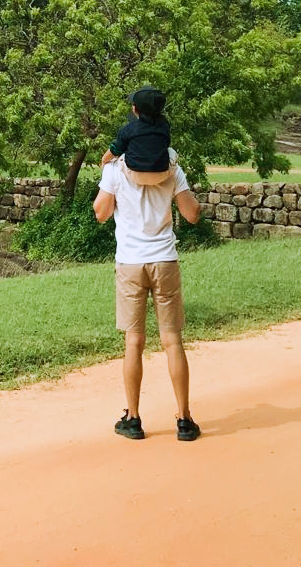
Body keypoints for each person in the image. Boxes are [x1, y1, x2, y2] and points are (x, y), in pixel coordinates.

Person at [93, 142, 202, 442]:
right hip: (164, 259)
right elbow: (192, 214)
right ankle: (184, 419)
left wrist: (107, 176)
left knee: (134, 341)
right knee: (172, 340)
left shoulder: (116, 167)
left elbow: (100, 213)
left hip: (130, 262)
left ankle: (133, 418)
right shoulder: (171, 165)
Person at [100, 86, 171, 176]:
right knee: (171, 151)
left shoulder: (129, 129)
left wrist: (103, 160)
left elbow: (115, 150)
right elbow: (166, 143)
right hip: (162, 173)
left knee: (115, 160)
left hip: (135, 174)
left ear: (135, 109)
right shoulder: (164, 126)